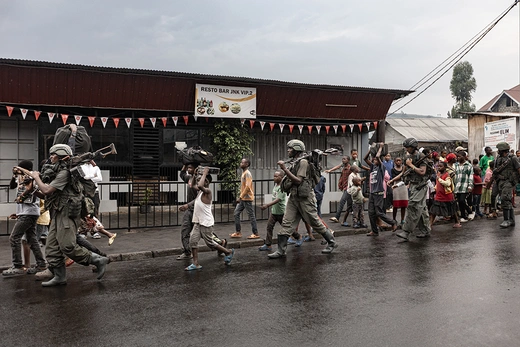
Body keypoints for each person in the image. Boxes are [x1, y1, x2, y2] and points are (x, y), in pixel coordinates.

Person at [26, 144, 110, 286]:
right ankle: (60, 277)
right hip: (58, 212)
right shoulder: (57, 172)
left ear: (61, 157)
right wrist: (32, 190)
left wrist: (35, 177)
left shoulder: (64, 173)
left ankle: (97, 259)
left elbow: (46, 190)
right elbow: (47, 195)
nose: (50, 157)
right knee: (52, 248)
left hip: (67, 213)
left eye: (53, 155)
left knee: (68, 246)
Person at [268, 139, 338, 258]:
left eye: (290, 148)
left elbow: (298, 180)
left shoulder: (303, 162)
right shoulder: (295, 161)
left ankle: (331, 242)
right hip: (294, 197)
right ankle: (281, 250)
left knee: (314, 222)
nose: (288, 150)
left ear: (296, 150)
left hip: (305, 198)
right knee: (287, 223)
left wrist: (284, 169)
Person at [179, 167, 235, 270]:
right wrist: (195, 175)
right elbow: (194, 186)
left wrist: (205, 172)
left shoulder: (207, 192)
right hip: (198, 222)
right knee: (193, 241)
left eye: (202, 179)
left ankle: (228, 252)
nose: (200, 180)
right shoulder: (200, 193)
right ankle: (195, 263)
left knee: (210, 244)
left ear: (206, 182)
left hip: (206, 222)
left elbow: (199, 185)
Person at [3, 160, 47, 277]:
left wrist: (20, 169)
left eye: (20, 168)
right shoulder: (21, 178)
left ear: (24, 168)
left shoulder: (32, 176)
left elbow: (33, 190)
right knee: (32, 239)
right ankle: (41, 264)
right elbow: (12, 186)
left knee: (14, 237)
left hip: (29, 212)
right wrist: (14, 175)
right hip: (25, 213)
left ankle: (17, 266)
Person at [395, 138, 432, 241]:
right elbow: (404, 172)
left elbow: (422, 172)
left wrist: (411, 165)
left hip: (421, 185)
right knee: (421, 209)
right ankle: (425, 230)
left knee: (413, 206)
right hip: (413, 186)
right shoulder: (408, 157)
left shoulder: (420, 157)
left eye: (409, 147)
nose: (407, 149)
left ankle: (406, 232)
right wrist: (394, 180)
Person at [258, 170, 303, 251]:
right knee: (269, 227)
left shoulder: (282, 187)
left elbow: (278, 199)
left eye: (276, 176)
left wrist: (267, 205)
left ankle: (298, 236)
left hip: (281, 212)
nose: (274, 178)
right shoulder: (275, 186)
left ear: (281, 177)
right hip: (274, 212)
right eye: (274, 176)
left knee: (287, 228)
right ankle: (268, 245)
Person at [364, 143, 398, 236]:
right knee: (371, 213)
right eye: (373, 159)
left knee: (379, 212)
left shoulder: (381, 167)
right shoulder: (373, 167)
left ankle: (393, 222)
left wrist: (381, 148)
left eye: (375, 159)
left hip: (379, 193)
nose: (374, 159)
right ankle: (374, 231)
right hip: (372, 193)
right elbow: (365, 159)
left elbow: (378, 156)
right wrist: (371, 150)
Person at [487, 142, 520, 228]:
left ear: (503, 150)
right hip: (499, 180)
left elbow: (518, 169)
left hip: (508, 181)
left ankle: (506, 220)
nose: (498, 151)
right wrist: (491, 181)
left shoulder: (513, 158)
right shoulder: (498, 158)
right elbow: (495, 170)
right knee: (495, 196)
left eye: (499, 150)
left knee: (505, 198)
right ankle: (511, 220)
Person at [231, 158, 259, 239]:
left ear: (247, 164)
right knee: (236, 213)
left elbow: (247, 187)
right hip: (243, 198)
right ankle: (238, 232)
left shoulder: (247, 174)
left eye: (242, 162)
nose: (241, 163)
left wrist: (240, 197)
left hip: (247, 198)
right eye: (241, 162)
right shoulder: (244, 173)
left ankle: (256, 233)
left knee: (251, 216)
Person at [429, 161, 461, 229]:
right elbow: (438, 184)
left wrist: (439, 179)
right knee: (434, 211)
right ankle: (430, 224)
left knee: (453, 210)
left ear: (445, 167)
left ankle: (457, 222)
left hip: (447, 196)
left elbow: (447, 184)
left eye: (441, 166)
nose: (439, 168)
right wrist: (434, 189)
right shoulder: (438, 174)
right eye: (438, 166)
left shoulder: (447, 175)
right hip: (439, 195)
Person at [326, 156, 352, 226]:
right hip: (345, 188)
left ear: (348, 160)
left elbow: (355, 173)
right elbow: (337, 166)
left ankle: (337, 217)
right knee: (350, 205)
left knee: (342, 201)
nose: (343, 160)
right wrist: (330, 170)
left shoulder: (350, 168)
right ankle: (353, 220)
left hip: (348, 188)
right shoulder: (343, 168)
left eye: (344, 159)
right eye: (342, 159)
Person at [387, 157, 408, 227]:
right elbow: (400, 176)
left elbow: (404, 177)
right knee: (395, 205)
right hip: (395, 185)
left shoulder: (404, 168)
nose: (398, 162)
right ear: (394, 162)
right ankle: (394, 219)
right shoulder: (393, 170)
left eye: (399, 160)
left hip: (403, 186)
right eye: (397, 161)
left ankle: (402, 220)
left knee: (403, 205)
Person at [454, 151, 474, 222]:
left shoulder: (468, 165)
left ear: (464, 157)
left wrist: (470, 186)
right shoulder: (456, 165)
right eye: (457, 157)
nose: (458, 158)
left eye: (459, 156)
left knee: (462, 200)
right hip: (457, 186)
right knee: (459, 201)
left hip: (465, 185)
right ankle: (463, 216)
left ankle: (469, 211)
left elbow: (471, 176)